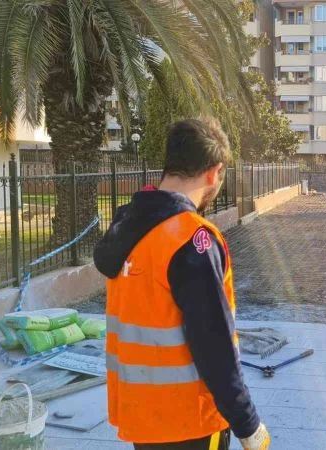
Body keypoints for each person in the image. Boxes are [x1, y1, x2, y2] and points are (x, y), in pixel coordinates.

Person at [93, 118, 270, 450]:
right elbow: (214, 345)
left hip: (141, 419)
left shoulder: (128, 227)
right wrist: (247, 423)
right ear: (213, 172)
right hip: (190, 423)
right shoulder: (192, 239)